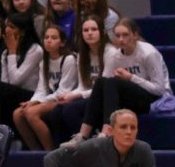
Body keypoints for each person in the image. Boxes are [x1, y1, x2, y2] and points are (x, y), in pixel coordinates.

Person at [61, 17, 172, 147]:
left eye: (125, 35)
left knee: (112, 82)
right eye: (118, 35)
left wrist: (131, 77)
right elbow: (102, 86)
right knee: (102, 81)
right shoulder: (116, 56)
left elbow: (160, 89)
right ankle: (83, 135)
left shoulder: (148, 53)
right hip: (130, 98)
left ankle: (107, 132)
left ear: (135, 35)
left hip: (154, 99)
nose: (121, 39)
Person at [48, 15, 119, 144]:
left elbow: (104, 87)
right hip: (88, 95)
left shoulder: (111, 52)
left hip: (104, 98)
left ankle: (87, 143)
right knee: (56, 112)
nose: (90, 33)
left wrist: (76, 95)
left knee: (70, 110)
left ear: (102, 32)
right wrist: (69, 95)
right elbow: (83, 85)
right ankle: (62, 149)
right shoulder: (82, 54)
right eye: (86, 30)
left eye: (94, 29)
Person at [13, 25, 77, 150]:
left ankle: (50, 151)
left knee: (31, 113)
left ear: (62, 42)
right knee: (18, 113)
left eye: (53, 38)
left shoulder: (68, 59)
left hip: (66, 99)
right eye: (46, 37)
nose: (48, 40)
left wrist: (38, 102)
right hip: (51, 98)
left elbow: (64, 90)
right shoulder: (44, 61)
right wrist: (32, 101)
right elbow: (41, 88)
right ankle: (35, 151)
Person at [0, 13, 43, 129]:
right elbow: (5, 83)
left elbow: (15, 81)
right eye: (6, 26)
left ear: (22, 31)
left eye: (12, 27)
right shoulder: (5, 52)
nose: (6, 30)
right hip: (14, 93)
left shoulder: (35, 50)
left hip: (31, 95)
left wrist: (12, 52)